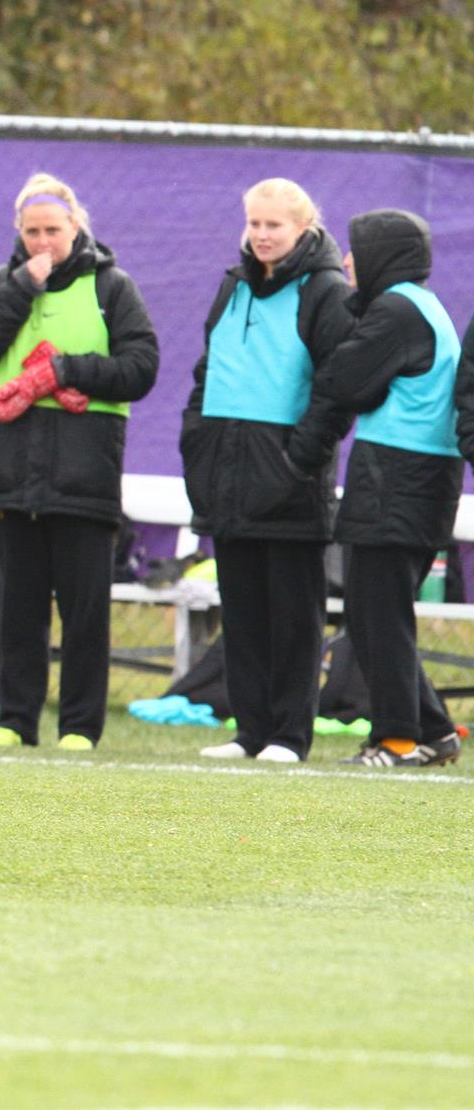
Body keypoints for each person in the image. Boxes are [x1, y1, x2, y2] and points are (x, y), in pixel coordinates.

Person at [0, 172, 158, 751]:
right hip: (13, 474)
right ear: (18, 234)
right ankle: (15, 722)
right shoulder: (6, 283)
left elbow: (141, 367)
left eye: (53, 230)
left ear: (76, 227)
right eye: (31, 232)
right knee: (19, 609)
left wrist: (67, 371)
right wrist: (21, 288)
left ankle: (79, 727)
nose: (42, 242)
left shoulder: (111, 287)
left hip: (84, 473)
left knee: (84, 613)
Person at [181, 180, 353, 764]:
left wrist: (295, 461)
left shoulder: (326, 290)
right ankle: (248, 731)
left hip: (290, 485)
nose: (261, 235)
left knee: (293, 619)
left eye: (273, 225)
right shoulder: (233, 286)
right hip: (227, 477)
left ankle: (288, 736)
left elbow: (336, 390)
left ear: (303, 229)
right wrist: (197, 443)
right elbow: (208, 370)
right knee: (245, 612)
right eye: (254, 223)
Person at [313, 209, 463, 767]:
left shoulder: (397, 309)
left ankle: (398, 738)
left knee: (378, 612)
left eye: (356, 250)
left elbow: (343, 381)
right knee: (375, 610)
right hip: (411, 478)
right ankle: (434, 731)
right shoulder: (417, 306)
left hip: (399, 478)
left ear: (382, 254)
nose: (347, 261)